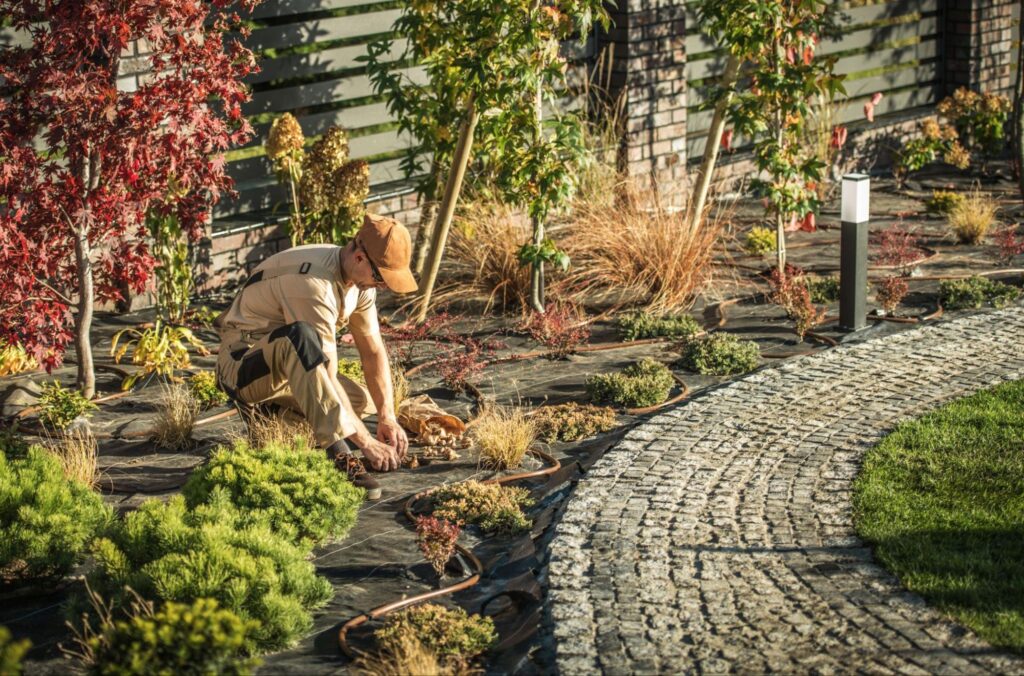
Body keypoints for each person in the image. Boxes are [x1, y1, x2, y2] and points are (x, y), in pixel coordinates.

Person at [214, 213, 417, 499]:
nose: (380, 286)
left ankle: (272, 420)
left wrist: (388, 417)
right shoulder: (314, 285)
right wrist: (366, 443)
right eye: (380, 278)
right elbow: (326, 375)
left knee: (362, 402)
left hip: (285, 366)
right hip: (242, 365)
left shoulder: (358, 282)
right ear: (360, 257)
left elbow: (372, 352)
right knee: (301, 339)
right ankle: (340, 458)